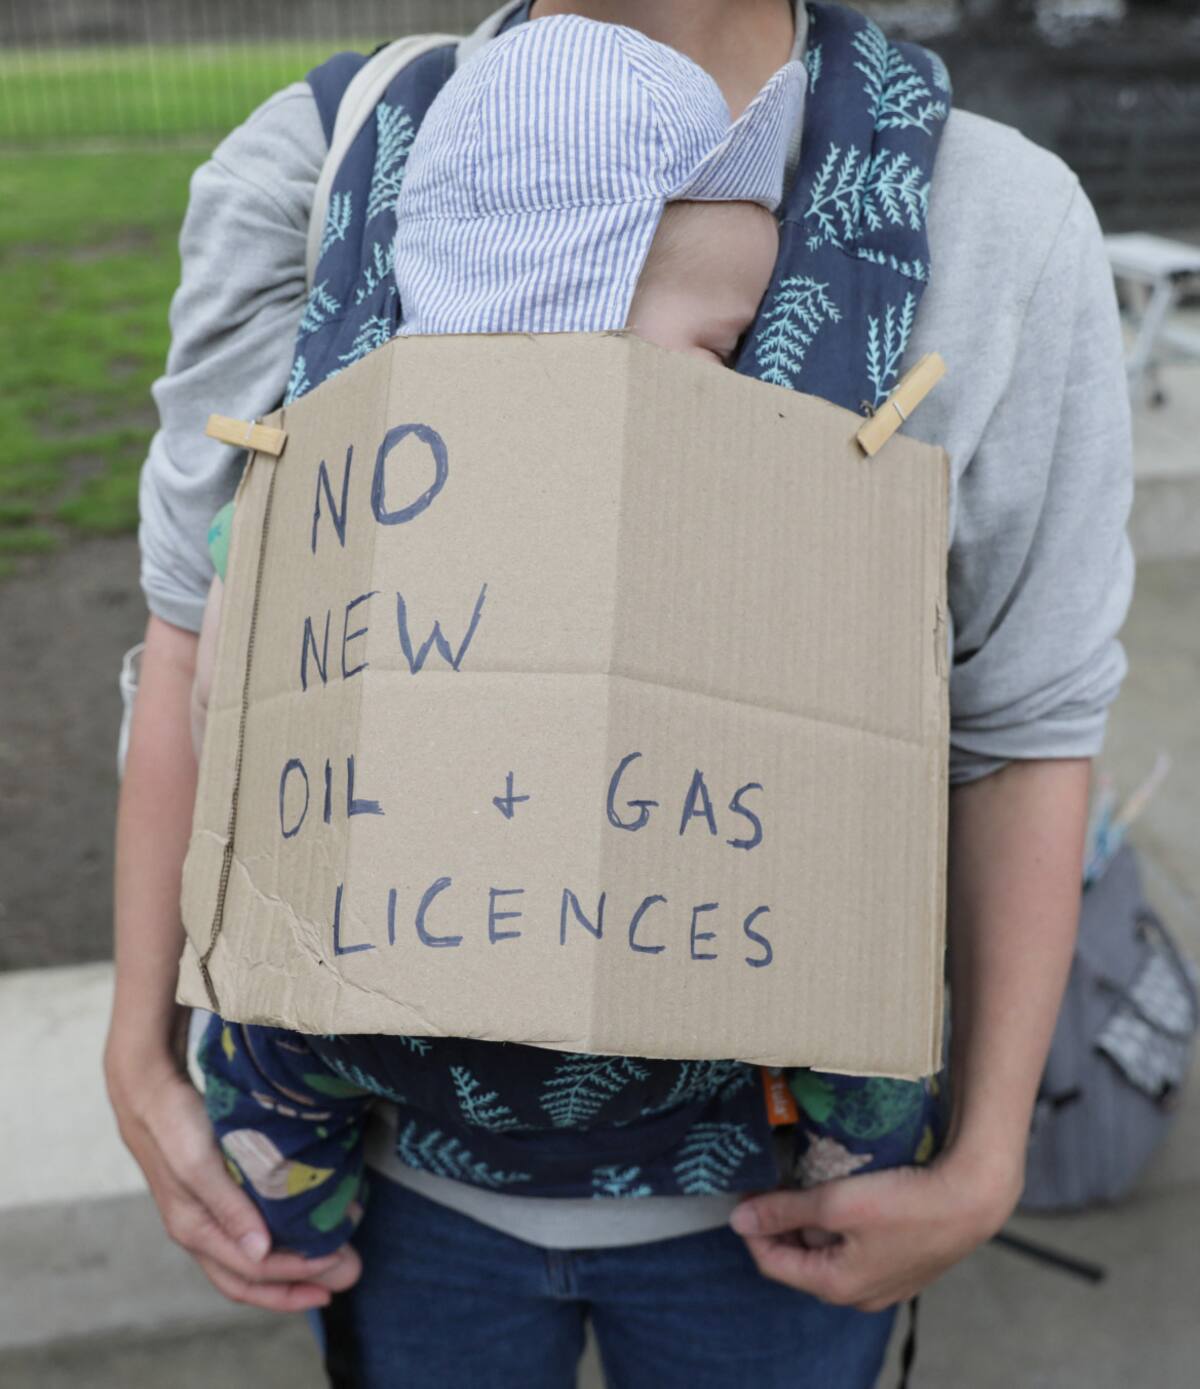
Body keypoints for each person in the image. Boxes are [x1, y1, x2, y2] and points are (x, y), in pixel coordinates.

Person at [109, 1, 1133, 1384]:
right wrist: (142, 1049)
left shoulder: (994, 217)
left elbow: (1024, 724)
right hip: (411, 1194)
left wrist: (988, 1155)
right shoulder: (319, 159)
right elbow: (196, 644)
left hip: (767, 1225)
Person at [189, 15, 800, 1260]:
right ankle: (288, 1234)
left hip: (414, 968)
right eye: (717, 344)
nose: (737, 378)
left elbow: (225, 685)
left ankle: (292, 1215)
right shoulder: (401, 497)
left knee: (262, 1068)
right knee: (265, 1059)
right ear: (570, 312)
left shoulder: (337, 478)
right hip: (436, 953)